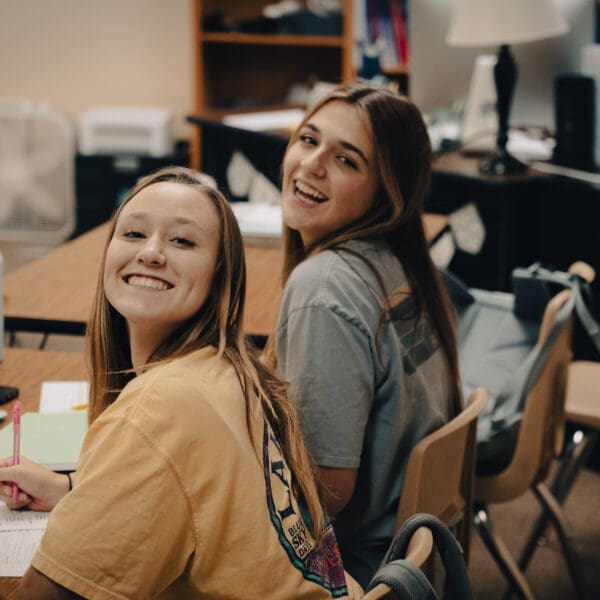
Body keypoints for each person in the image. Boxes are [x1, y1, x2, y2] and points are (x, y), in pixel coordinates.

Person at [0, 167, 360, 599]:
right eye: (133, 233)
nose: (151, 252)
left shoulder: (156, 408)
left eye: (183, 241)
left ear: (219, 277)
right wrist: (75, 489)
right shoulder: (231, 367)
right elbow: (203, 495)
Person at [266, 81, 463, 588]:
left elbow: (323, 491)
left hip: (343, 567)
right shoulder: (396, 263)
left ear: (386, 192)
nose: (311, 164)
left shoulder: (324, 287)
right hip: (405, 553)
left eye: (347, 160)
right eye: (308, 140)